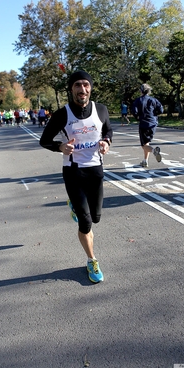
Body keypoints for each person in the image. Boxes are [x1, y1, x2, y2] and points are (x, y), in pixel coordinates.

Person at [40, 70, 113, 283]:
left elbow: (108, 131)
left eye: (86, 85)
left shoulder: (101, 110)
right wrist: (60, 146)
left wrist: (106, 142)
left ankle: (75, 206)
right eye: (78, 85)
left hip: (95, 170)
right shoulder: (62, 114)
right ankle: (92, 260)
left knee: (96, 218)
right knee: (86, 221)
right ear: (71, 89)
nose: (82, 89)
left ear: (90, 87)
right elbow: (44, 140)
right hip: (73, 172)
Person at [132, 83, 163, 167]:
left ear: (141, 91)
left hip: (144, 124)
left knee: (144, 145)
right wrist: (154, 115)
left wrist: (138, 117)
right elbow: (161, 109)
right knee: (147, 143)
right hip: (153, 124)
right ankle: (145, 161)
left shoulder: (138, 100)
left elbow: (134, 112)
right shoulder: (153, 100)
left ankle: (154, 151)